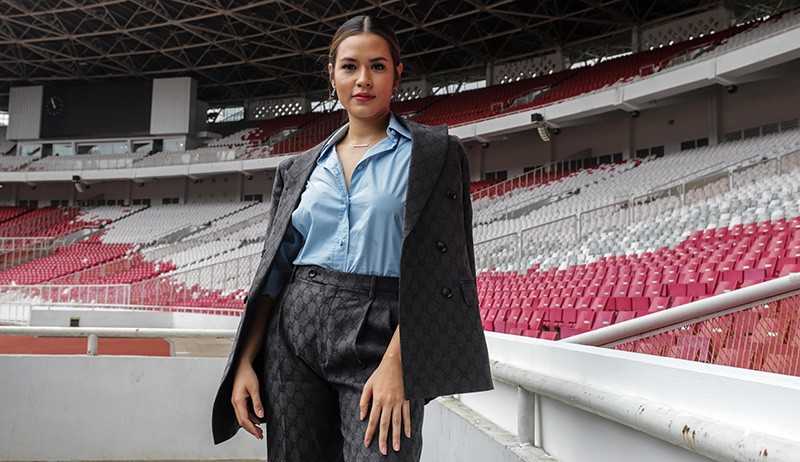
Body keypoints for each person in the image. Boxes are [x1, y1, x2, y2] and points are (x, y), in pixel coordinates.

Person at [211, 15, 492, 461]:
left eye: (377, 66)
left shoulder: (436, 154)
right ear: (332, 75)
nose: (363, 79)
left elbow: (447, 270)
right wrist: (246, 359)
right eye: (350, 66)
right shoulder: (298, 167)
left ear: (397, 73)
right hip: (294, 333)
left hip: (383, 332)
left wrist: (400, 363)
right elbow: (274, 271)